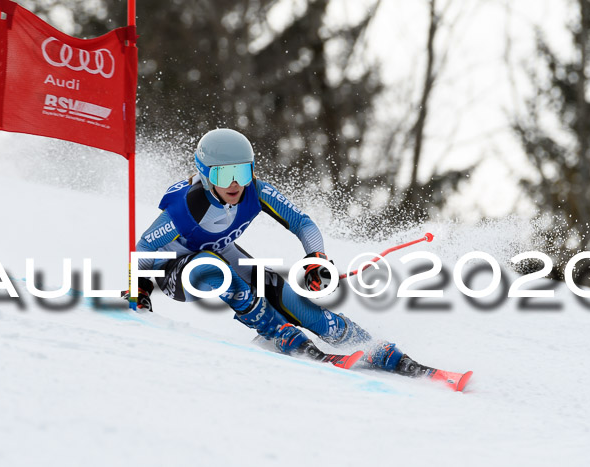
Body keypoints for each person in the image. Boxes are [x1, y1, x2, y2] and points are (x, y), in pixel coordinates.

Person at [130, 128, 429, 376]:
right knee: (214, 267)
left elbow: (302, 223)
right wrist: (140, 288)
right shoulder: (186, 207)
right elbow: (144, 246)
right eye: (224, 176)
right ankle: (276, 331)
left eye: (243, 172)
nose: (235, 183)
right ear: (207, 176)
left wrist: (316, 259)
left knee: (279, 290)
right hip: (178, 273)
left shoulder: (255, 192)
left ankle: (365, 343)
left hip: (220, 254)